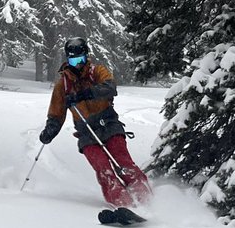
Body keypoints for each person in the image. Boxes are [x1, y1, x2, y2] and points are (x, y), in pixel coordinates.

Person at [39, 36, 152, 208]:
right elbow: (56, 112)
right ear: (68, 59)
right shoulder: (63, 85)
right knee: (103, 168)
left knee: (122, 160)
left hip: (109, 124)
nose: (77, 64)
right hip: (86, 133)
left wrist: (86, 94)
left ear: (86, 56)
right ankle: (123, 203)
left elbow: (110, 88)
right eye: (73, 60)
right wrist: (50, 130)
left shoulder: (97, 71)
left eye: (80, 59)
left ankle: (146, 198)